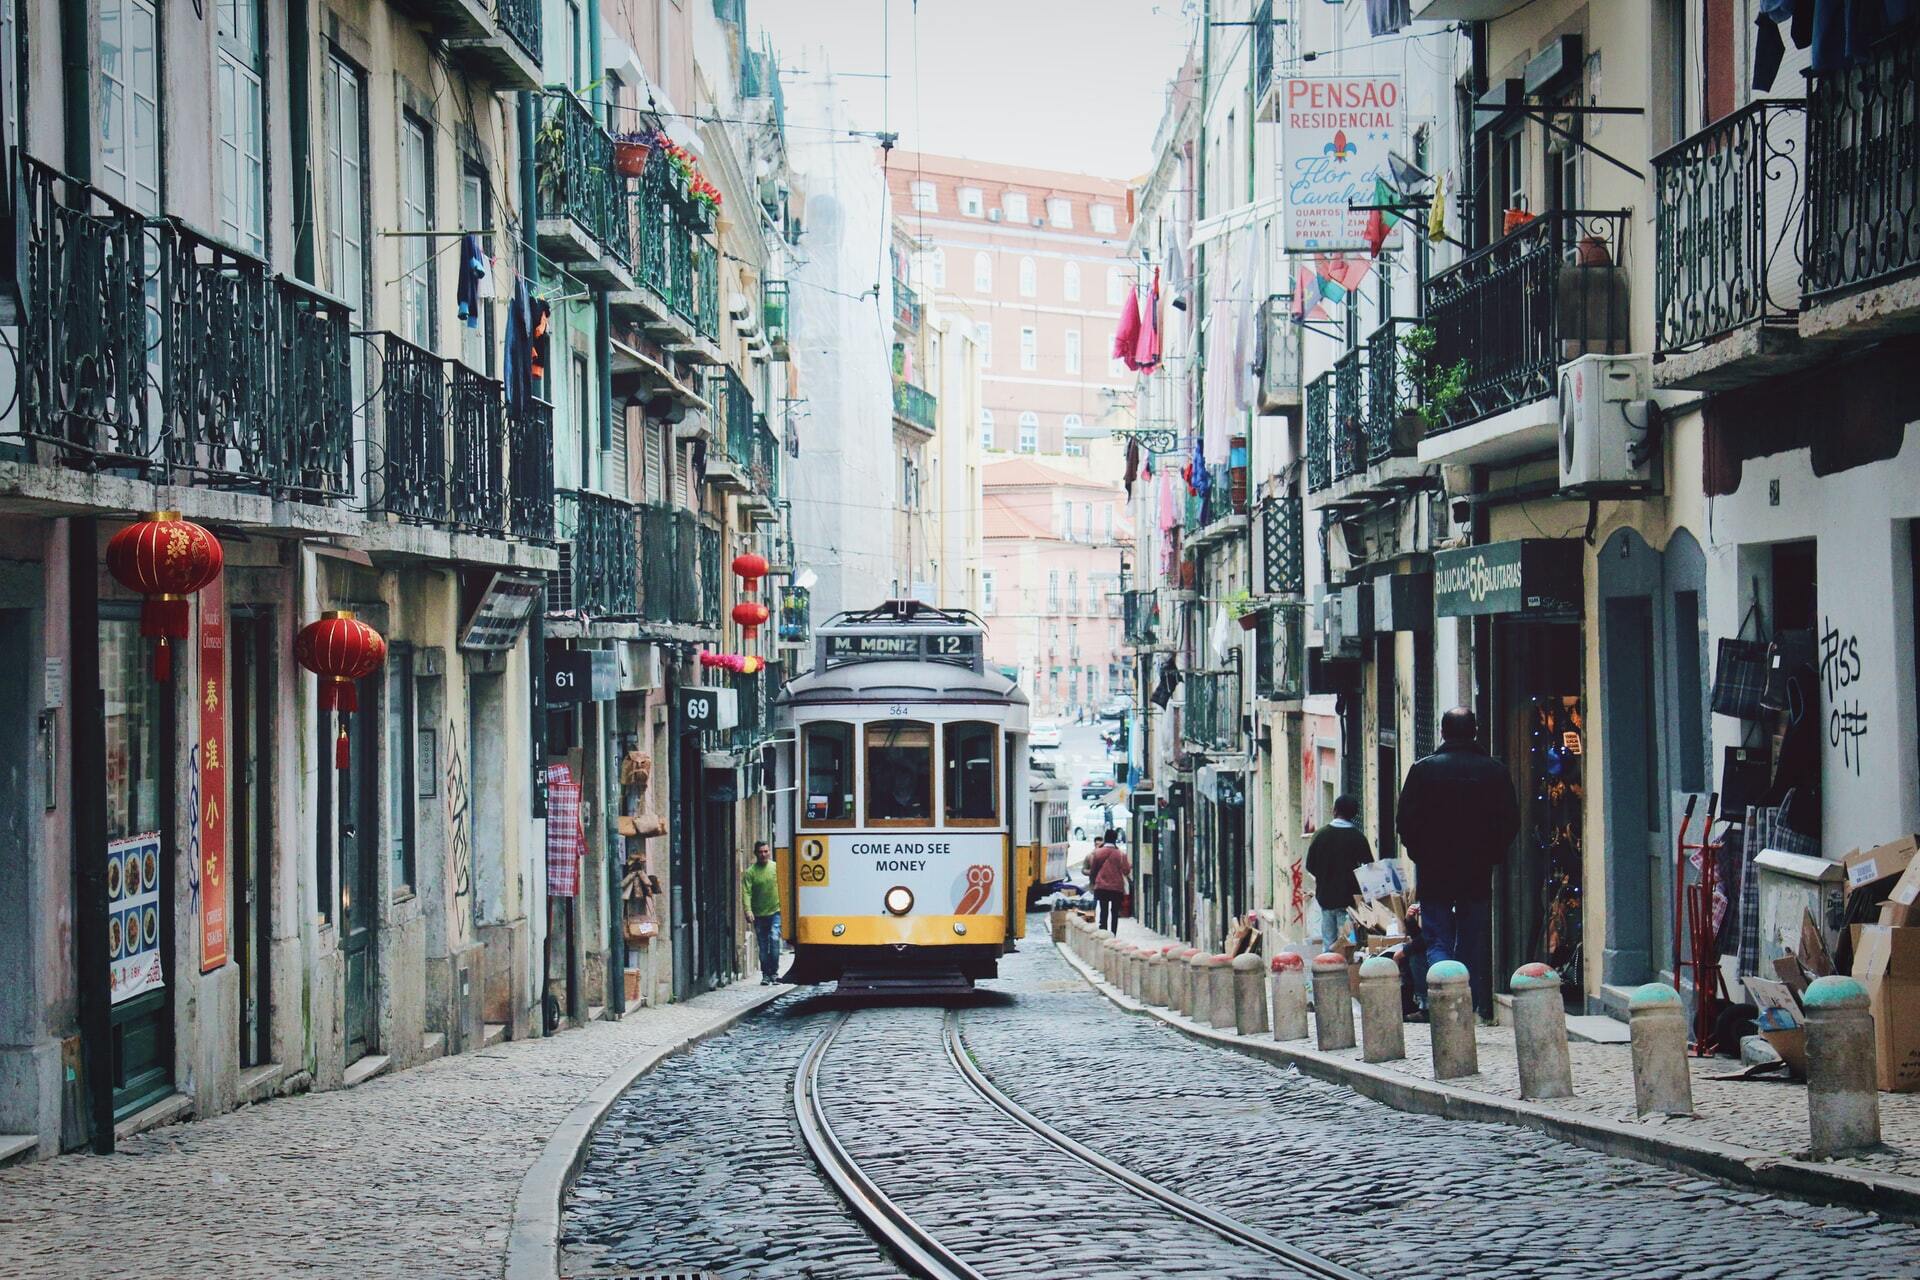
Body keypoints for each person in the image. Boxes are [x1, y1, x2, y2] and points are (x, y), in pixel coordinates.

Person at [1396, 707, 1520, 1020]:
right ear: (1475, 731)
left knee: (1437, 938)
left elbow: (1405, 821)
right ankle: (1468, 1006)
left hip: (1435, 870)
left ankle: (1442, 1001)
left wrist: (1419, 853)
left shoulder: (1423, 770)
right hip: (1476, 870)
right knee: (1471, 937)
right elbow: (1510, 820)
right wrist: (1493, 853)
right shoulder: (1495, 771)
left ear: (1442, 731)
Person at [1305, 794, 1372, 950]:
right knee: (1348, 943)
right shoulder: (1358, 838)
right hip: (1349, 901)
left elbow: (1310, 866)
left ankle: (1327, 969)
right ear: (1354, 814)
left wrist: (1324, 877)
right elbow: (1369, 868)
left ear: (1334, 811)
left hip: (1326, 898)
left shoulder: (1320, 835)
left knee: (1329, 943)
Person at [741, 841, 782, 985]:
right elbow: (746, 892)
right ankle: (766, 974)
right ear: (756, 854)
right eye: (761, 852)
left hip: (776, 911)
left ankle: (775, 973)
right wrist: (748, 910)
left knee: (775, 938)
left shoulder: (776, 868)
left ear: (769, 852)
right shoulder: (750, 872)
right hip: (759, 914)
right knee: (763, 946)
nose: (763, 854)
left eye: (766, 851)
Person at [1088, 828, 1131, 933]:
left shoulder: (1097, 853)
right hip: (1116, 887)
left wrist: (1092, 883)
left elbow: (1093, 870)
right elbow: (1126, 871)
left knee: (1104, 911)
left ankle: (1103, 933)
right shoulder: (1121, 854)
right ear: (1115, 839)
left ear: (1105, 838)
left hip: (1101, 887)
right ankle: (1113, 934)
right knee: (1115, 913)